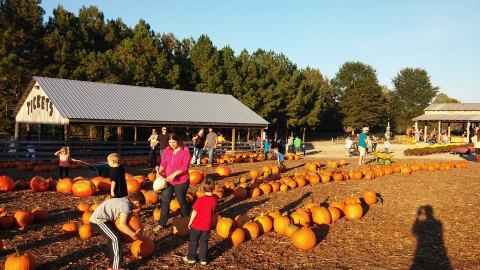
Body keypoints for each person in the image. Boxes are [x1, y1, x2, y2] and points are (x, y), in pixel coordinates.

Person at [89, 191, 145, 270]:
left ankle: (110, 257)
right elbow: (122, 224)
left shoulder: (125, 200)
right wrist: (133, 234)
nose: (139, 208)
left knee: (113, 237)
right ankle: (116, 267)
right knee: (115, 238)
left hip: (107, 220)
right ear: (136, 202)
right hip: (98, 221)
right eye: (139, 205)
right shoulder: (126, 205)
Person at [154, 133, 191, 231]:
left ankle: (185, 220)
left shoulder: (185, 151)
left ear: (178, 141)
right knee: (165, 201)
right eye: (170, 142)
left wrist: (174, 174)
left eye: (173, 142)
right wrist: (160, 170)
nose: (171, 144)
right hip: (168, 181)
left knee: (181, 200)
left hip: (181, 180)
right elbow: (164, 163)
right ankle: (162, 223)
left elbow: (185, 166)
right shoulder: (167, 150)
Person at [183, 178, 218, 266]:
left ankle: (191, 258)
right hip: (207, 226)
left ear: (202, 188)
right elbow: (213, 211)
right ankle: (203, 259)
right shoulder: (214, 200)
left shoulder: (200, 199)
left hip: (196, 226)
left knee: (193, 241)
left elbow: (194, 211)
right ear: (213, 187)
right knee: (204, 242)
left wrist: (190, 222)